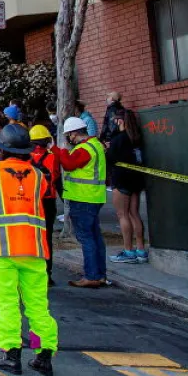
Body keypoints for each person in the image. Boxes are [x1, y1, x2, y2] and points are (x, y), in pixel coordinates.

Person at [0, 124, 58, 376]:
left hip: (1, 249)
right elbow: (42, 193)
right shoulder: (38, 175)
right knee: (38, 304)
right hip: (34, 249)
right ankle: (44, 355)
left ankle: (11, 354)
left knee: (7, 303)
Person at [56, 117, 108, 287]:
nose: (68, 138)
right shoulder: (95, 145)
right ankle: (100, 275)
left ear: (74, 133)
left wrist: (58, 151)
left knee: (86, 238)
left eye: (68, 135)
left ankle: (92, 276)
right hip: (94, 197)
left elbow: (69, 164)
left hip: (83, 198)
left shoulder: (84, 149)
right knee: (95, 237)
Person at [107, 110, 148, 264]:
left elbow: (110, 159)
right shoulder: (136, 138)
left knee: (122, 214)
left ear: (121, 121)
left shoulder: (119, 139)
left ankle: (128, 251)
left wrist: (107, 149)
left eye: (115, 120)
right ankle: (141, 250)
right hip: (136, 179)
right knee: (134, 214)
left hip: (121, 180)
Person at [29, 125, 61, 284]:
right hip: (48, 202)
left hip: (30, 202)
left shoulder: (25, 158)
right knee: (46, 238)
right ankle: (47, 274)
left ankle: (32, 273)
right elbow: (57, 178)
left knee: (31, 238)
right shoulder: (53, 157)